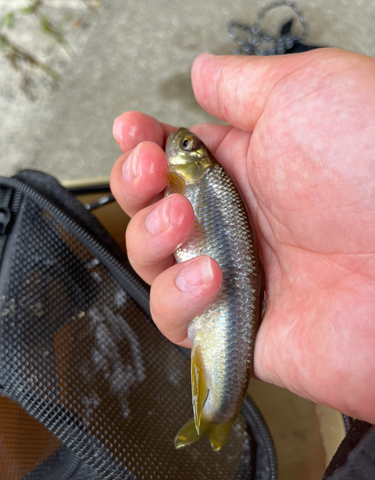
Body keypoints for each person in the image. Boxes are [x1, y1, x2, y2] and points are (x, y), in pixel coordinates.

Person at [110, 48, 375, 425]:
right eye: (188, 145)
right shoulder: (195, 180)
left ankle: (218, 412)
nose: (181, 144)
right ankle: (217, 412)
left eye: (187, 147)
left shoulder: (196, 180)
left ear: (192, 163)